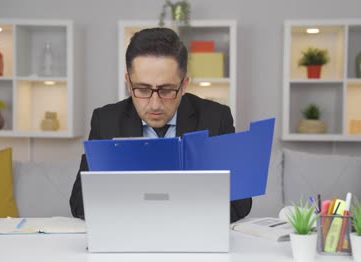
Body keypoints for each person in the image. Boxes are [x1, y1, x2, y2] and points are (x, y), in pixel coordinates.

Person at [69, 27, 252, 223]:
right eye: (142, 89)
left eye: (166, 90)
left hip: (193, 235)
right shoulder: (105, 120)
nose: (155, 104)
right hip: (130, 234)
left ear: (183, 85)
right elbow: (79, 202)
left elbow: (240, 203)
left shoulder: (216, 118)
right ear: (128, 83)